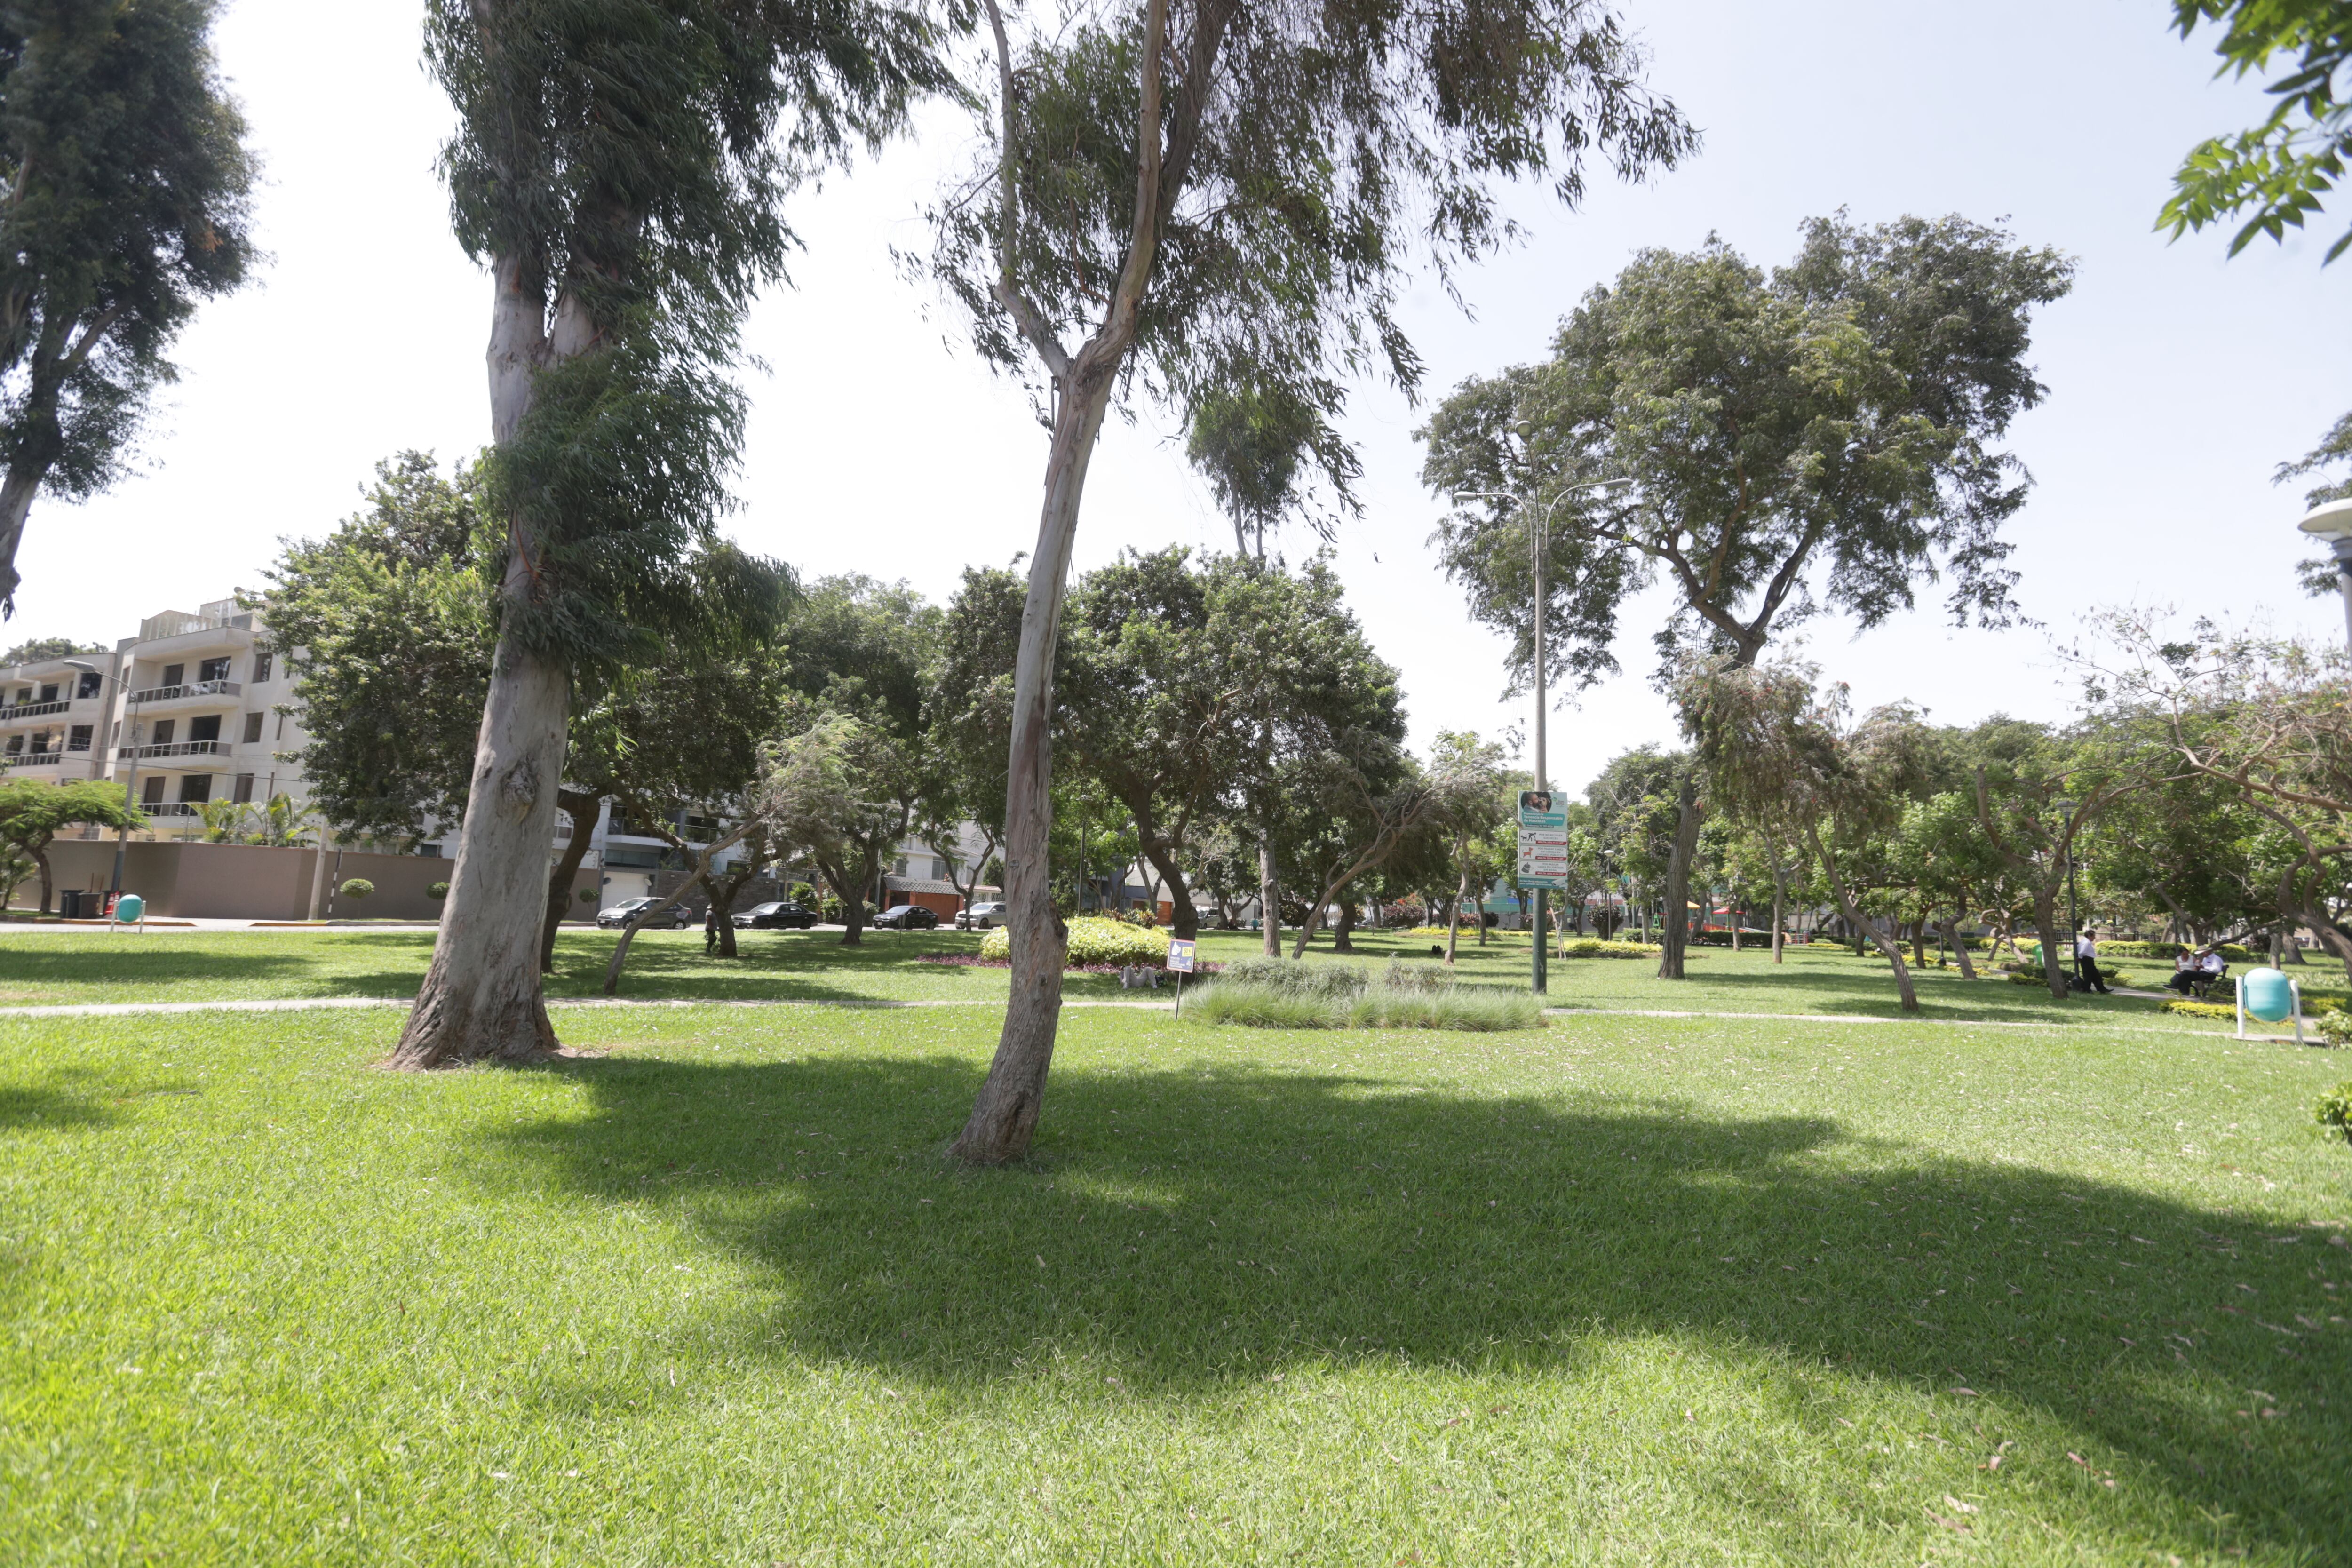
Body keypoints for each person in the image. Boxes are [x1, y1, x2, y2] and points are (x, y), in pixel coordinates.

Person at [2074, 927, 2111, 995]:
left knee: (2095, 976)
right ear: (2089, 936)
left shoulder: (2084, 941)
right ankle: (2087, 990)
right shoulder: (2086, 943)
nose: (2094, 938)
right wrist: (2080, 957)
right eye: (2093, 936)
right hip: (2087, 960)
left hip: (2087, 960)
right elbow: (2082, 952)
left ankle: (2101, 989)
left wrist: (2080, 957)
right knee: (2089, 976)